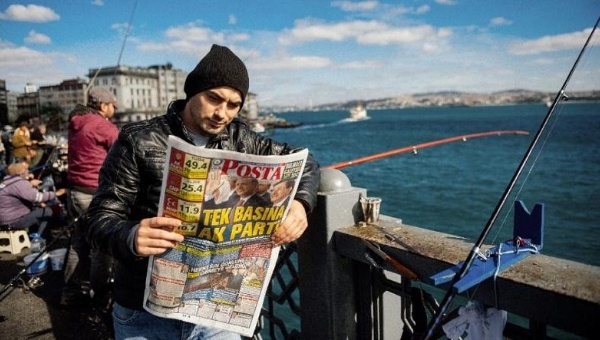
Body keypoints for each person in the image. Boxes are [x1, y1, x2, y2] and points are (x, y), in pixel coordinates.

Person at [85, 44, 320, 340]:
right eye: (214, 98)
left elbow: (304, 161)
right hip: (145, 313)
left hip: (216, 314)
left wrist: (300, 203)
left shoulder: (241, 138)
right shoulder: (138, 140)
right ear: (192, 91)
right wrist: (130, 236)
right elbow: (98, 219)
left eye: (233, 105)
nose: (222, 113)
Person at [61, 88, 119, 312]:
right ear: (103, 105)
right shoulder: (102, 126)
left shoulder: (77, 121)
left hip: (74, 191)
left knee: (78, 243)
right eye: (113, 105)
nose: (113, 109)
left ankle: (70, 293)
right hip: (93, 193)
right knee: (102, 247)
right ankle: (101, 297)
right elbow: (123, 152)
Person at [0, 161, 66, 237]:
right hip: (12, 222)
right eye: (26, 170)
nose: (29, 172)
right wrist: (56, 193)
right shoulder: (19, 183)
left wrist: (29, 184)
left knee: (37, 209)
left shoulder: (6, 182)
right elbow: (38, 197)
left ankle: (32, 236)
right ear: (20, 173)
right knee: (47, 211)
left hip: (4, 220)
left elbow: (22, 196)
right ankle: (39, 240)